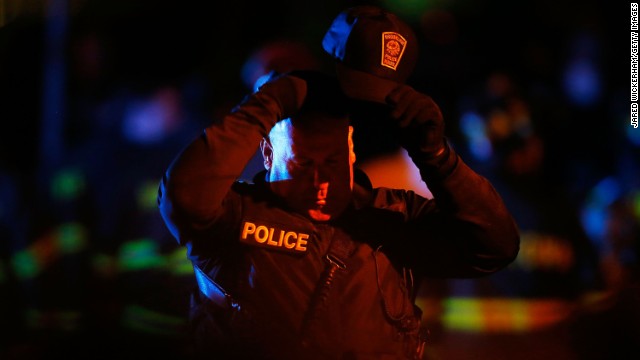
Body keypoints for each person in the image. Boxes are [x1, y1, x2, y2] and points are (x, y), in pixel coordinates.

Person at [157, 5, 520, 359]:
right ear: (268, 155)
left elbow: (494, 247)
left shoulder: (393, 217)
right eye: (303, 163)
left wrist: (437, 158)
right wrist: (272, 101)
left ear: (350, 149)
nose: (320, 183)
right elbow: (182, 197)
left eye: (331, 161)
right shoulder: (232, 216)